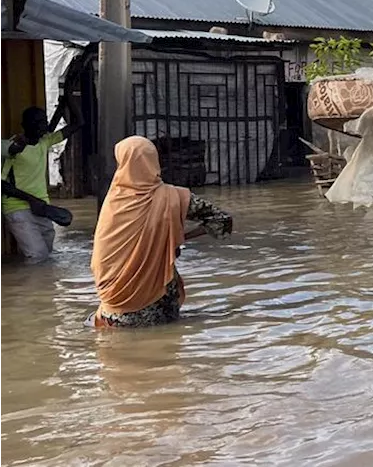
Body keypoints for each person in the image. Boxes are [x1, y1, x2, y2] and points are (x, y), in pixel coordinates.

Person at [92, 137, 232, 328]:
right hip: (159, 307)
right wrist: (179, 237)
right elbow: (222, 221)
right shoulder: (173, 197)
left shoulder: (112, 202)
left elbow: (102, 259)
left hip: (115, 313)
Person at [1, 104, 81, 262]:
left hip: (42, 208)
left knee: (48, 256)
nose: (41, 126)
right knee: (38, 256)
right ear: (25, 125)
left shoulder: (45, 141)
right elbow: (2, 184)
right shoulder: (11, 147)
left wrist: (69, 98)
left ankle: (43, 286)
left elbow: (78, 124)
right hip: (18, 209)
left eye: (43, 122)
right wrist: (32, 200)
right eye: (36, 122)